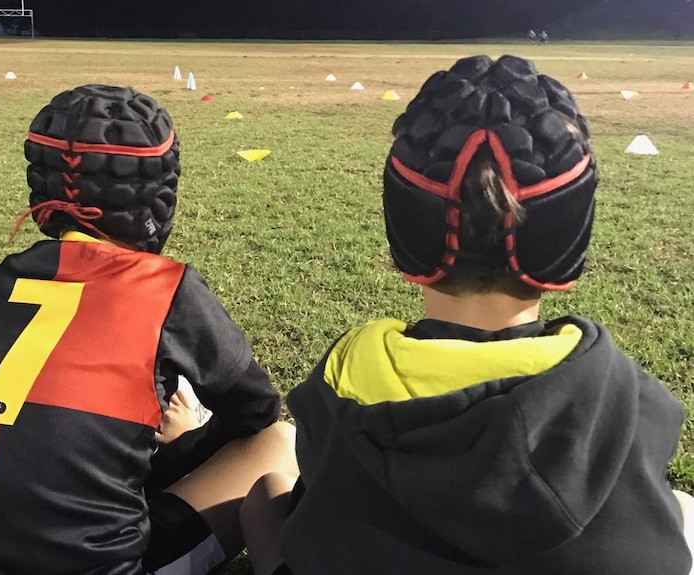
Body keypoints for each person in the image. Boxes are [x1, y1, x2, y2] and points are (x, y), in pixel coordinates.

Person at [240, 55, 694, 575]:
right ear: (569, 246)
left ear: (405, 241)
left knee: (267, 497)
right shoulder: (622, 390)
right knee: (683, 510)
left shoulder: (348, 372)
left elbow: (318, 493)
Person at [0, 84, 298, 575]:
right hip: (106, 561)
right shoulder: (169, 292)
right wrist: (181, 446)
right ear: (159, 199)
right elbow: (258, 413)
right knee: (279, 442)